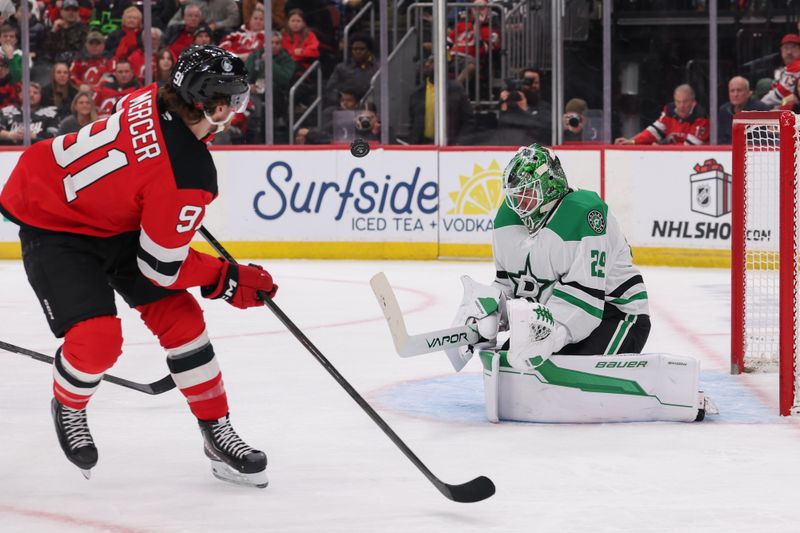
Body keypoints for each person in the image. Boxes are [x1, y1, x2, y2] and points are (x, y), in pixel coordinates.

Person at [0, 45, 274, 487]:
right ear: (215, 105)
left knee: (183, 323)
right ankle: (69, 403)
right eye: (235, 101)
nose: (237, 111)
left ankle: (215, 430)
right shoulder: (189, 173)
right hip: (54, 220)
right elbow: (162, 267)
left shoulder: (149, 97)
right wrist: (225, 279)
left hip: (110, 219)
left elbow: (144, 170)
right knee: (97, 341)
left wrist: (169, 200)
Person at [446, 145, 712, 423]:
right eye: (515, 196)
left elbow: (586, 303)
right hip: (551, 316)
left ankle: (670, 393)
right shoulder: (508, 220)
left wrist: (551, 336)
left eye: (527, 194)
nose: (519, 204)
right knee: (511, 362)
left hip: (616, 316)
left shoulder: (586, 215)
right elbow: (509, 284)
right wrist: (489, 313)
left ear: (550, 186)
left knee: (557, 368)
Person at [407, 55, 474, 145]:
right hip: (422, 146)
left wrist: (459, 144)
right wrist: (413, 143)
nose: (426, 64)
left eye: (431, 62)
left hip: (449, 146)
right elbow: (413, 122)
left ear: (442, 65)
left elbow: (469, 121)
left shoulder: (456, 89)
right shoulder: (417, 93)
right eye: (427, 62)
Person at [614, 84, 709, 145]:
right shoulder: (669, 110)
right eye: (678, 101)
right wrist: (632, 141)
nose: (681, 106)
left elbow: (688, 150)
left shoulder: (701, 117)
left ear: (693, 102)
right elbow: (654, 131)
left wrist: (662, 144)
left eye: (685, 102)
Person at [323, 33, 377, 108]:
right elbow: (330, 89)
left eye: (362, 49)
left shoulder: (376, 69)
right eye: (355, 49)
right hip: (345, 106)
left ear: (369, 50)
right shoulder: (341, 68)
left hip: (369, 107)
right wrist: (342, 100)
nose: (358, 52)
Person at [718, 76, 769, 144]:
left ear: (748, 93)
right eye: (732, 91)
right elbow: (721, 139)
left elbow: (763, 140)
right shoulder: (724, 111)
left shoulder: (760, 109)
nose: (735, 94)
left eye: (739, 90)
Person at [761, 33, 800, 110]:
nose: (789, 52)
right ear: (781, 50)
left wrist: (759, 105)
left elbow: (779, 94)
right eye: (786, 48)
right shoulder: (782, 69)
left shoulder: (797, 66)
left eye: (793, 47)